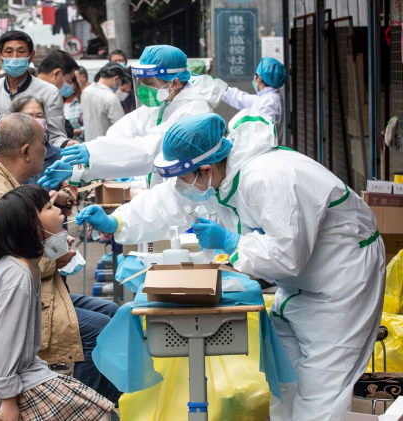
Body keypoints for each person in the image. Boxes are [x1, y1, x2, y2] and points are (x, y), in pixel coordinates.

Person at [76, 111, 385, 421]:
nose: (181, 187)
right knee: (286, 379)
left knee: (323, 385)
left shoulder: (267, 177)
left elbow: (286, 255)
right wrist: (118, 221)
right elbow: (171, 202)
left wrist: (231, 242)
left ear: (206, 169)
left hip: (342, 277)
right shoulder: (216, 176)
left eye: (185, 178)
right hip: (301, 282)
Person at [0, 113, 121, 405]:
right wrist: (57, 256)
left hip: (39, 290)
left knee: (114, 314)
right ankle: (84, 405)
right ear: (26, 151)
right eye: (44, 143)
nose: (48, 149)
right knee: (101, 332)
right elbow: (9, 265)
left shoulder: (10, 183)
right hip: (11, 304)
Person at [0, 185, 115, 421]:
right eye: (49, 207)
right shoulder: (17, 275)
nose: (59, 211)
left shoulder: (25, 265)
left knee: (103, 408)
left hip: (21, 375)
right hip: (2, 386)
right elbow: (3, 345)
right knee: (102, 415)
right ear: (32, 227)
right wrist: (9, 402)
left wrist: (57, 247)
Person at [39, 45, 227, 189]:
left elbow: (150, 150)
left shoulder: (194, 110)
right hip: (166, 192)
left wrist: (93, 154)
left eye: (149, 82)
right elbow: (122, 133)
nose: (144, 88)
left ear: (175, 82)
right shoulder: (162, 104)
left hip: (193, 195)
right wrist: (79, 165)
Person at [0, 30, 74, 148]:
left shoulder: (49, 92)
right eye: (9, 52)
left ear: (31, 56)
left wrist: (66, 144)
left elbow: (56, 136)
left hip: (36, 163)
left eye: (21, 52)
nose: (15, 57)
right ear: (0, 56)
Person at [10, 94, 78, 215]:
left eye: (39, 116)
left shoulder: (59, 155)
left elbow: (72, 192)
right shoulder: (4, 155)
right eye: (28, 116)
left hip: (52, 226)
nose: (35, 121)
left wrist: (59, 195)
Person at [222, 57, 286, 143]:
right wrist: (213, 86)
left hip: (262, 154)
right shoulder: (266, 98)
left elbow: (260, 138)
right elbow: (238, 97)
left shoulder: (269, 102)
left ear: (259, 78)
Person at [80, 63, 125, 142]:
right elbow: (121, 128)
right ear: (116, 79)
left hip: (88, 145)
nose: (119, 84)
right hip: (106, 148)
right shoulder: (111, 98)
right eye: (120, 81)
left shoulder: (86, 92)